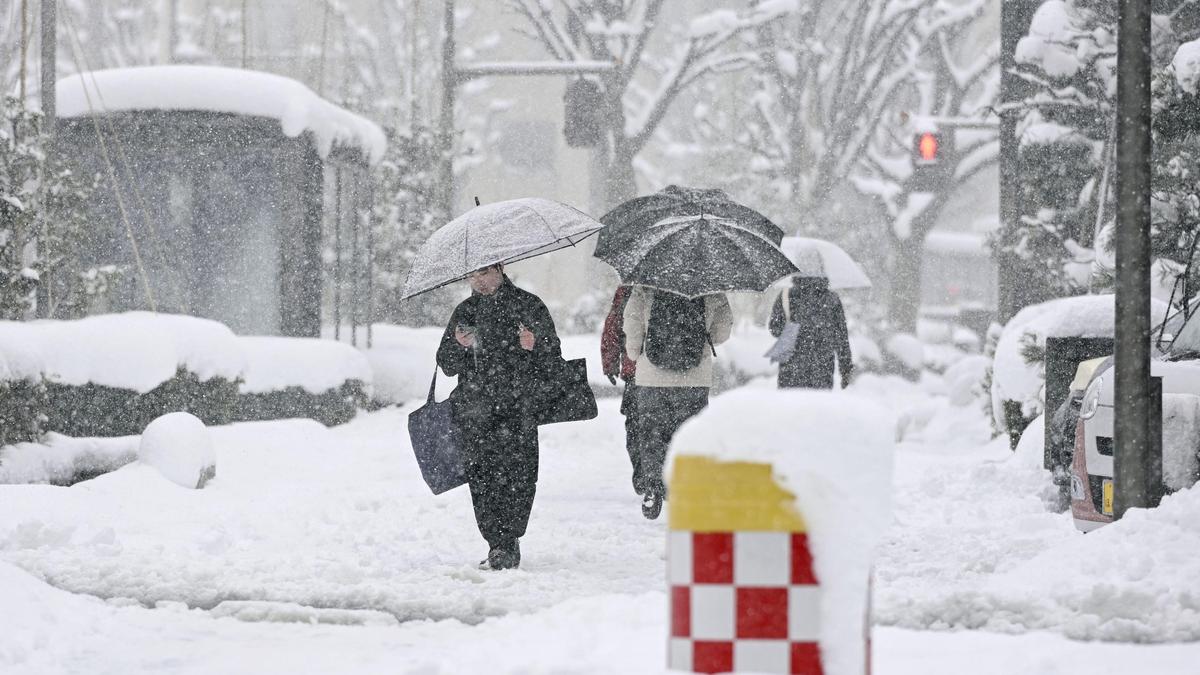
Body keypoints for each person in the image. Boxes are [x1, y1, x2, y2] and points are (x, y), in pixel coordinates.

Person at [435, 263, 561, 570]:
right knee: (482, 477)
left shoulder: (527, 305)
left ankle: (510, 538)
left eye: (484, 273)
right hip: (475, 411)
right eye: (472, 274)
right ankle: (497, 543)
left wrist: (535, 345)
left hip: (518, 408)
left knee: (520, 474)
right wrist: (458, 345)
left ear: (501, 270)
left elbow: (554, 357)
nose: (478, 280)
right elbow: (446, 364)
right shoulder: (465, 312)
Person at [623, 287, 733, 519]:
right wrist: (700, 343)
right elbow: (723, 331)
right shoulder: (711, 286)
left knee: (652, 433)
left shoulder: (645, 284)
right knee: (690, 434)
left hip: (651, 377)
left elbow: (631, 322)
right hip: (694, 377)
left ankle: (653, 486)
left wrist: (635, 352)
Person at [768, 262, 853, 389]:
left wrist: (792, 329)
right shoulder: (832, 299)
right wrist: (845, 368)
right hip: (822, 368)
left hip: (791, 369)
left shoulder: (786, 296)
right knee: (818, 406)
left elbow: (774, 329)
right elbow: (841, 337)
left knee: (790, 407)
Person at [600, 285, 643, 495]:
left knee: (637, 428)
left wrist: (610, 363)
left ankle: (645, 478)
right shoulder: (686, 282)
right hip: (680, 374)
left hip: (636, 370)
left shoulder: (629, 287)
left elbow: (613, 327)